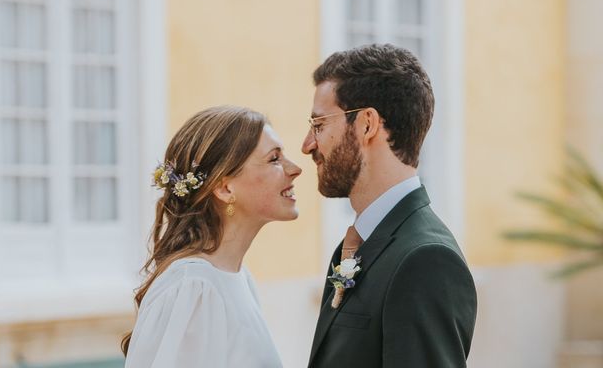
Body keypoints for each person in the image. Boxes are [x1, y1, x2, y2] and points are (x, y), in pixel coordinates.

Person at [302, 44, 477, 367]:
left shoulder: (426, 259)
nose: (307, 145)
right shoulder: (356, 245)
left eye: (319, 125)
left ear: (367, 124)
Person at [122, 106, 301, 367]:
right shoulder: (193, 288)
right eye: (274, 159)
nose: (295, 169)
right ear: (225, 188)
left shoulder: (238, 279)